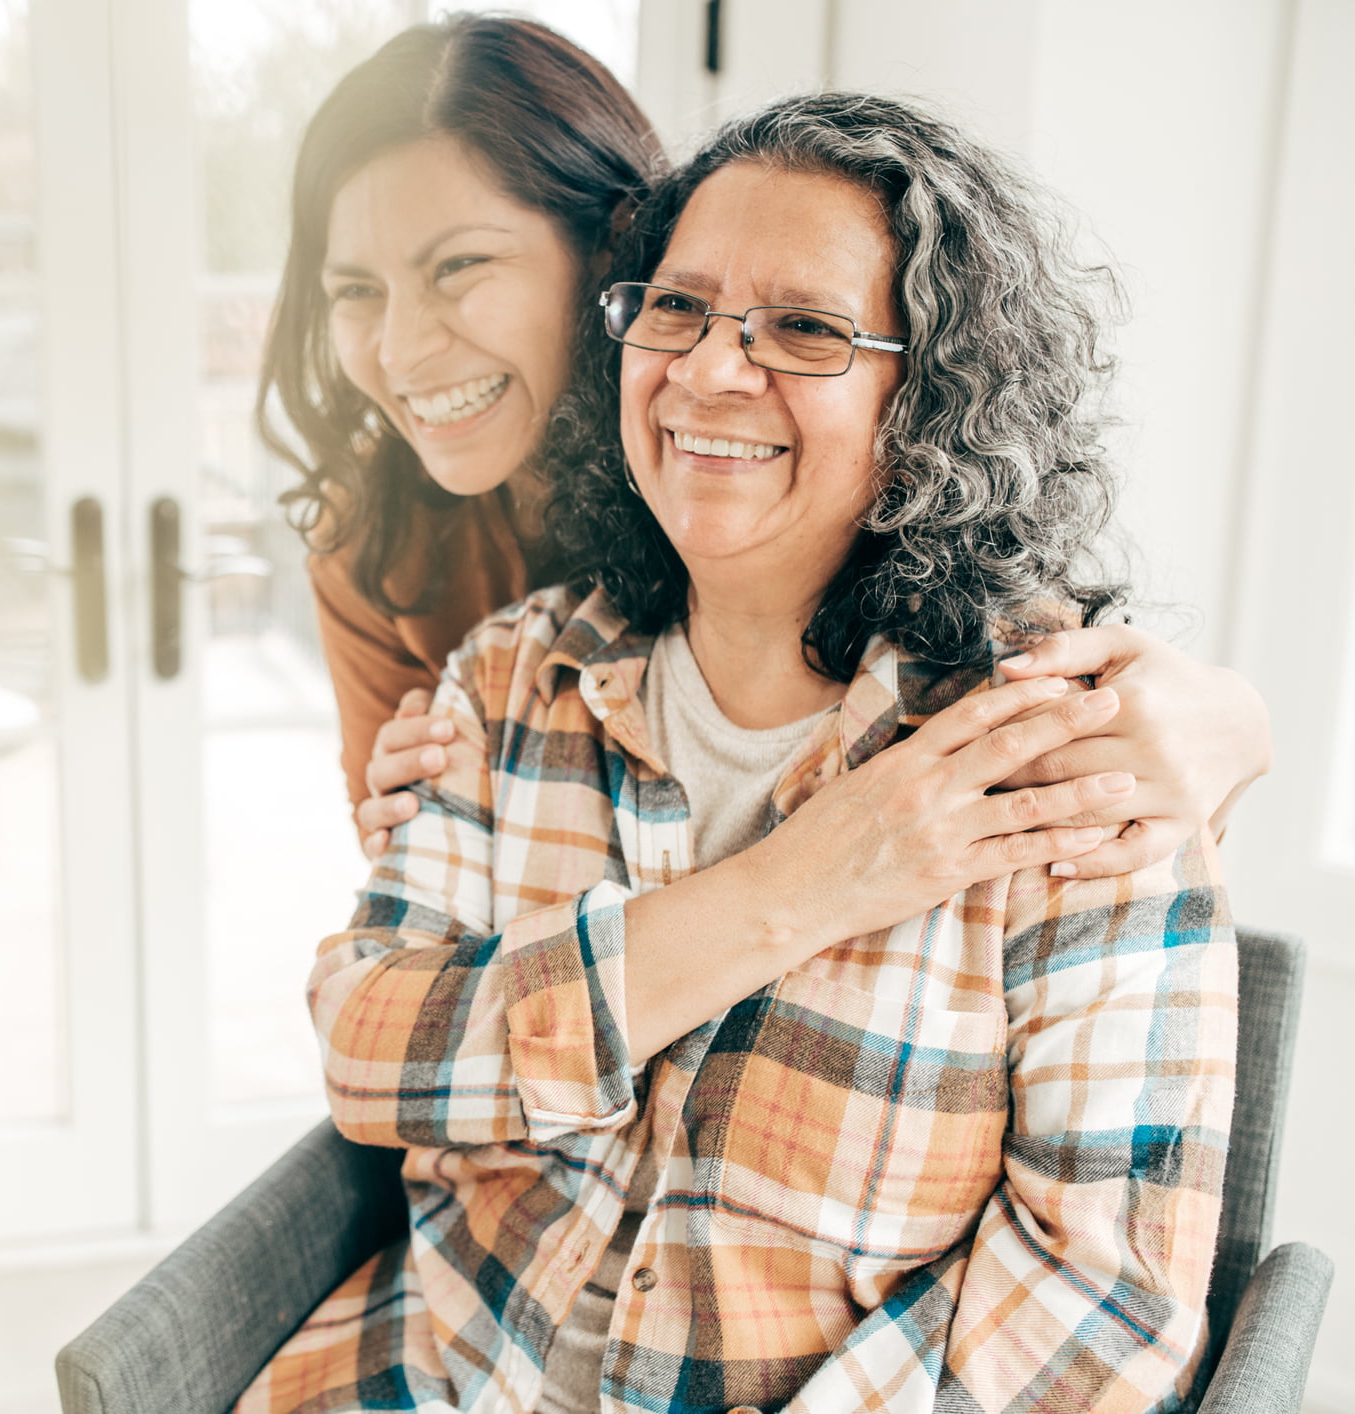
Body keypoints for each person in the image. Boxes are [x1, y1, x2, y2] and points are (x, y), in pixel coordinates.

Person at [239, 92, 1237, 1414]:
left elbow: (1103, 1306)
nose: (713, 370)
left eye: (806, 329)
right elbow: (368, 1050)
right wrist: (799, 885)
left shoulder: (1060, 751)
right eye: (679, 309)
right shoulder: (507, 673)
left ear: (932, 395)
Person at [265, 15, 1271, 869]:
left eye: (457, 267)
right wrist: (418, 834)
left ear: (620, 246)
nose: (397, 348)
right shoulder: (372, 540)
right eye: (353, 290)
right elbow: (436, 934)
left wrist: (1232, 724)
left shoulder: (787, 477)